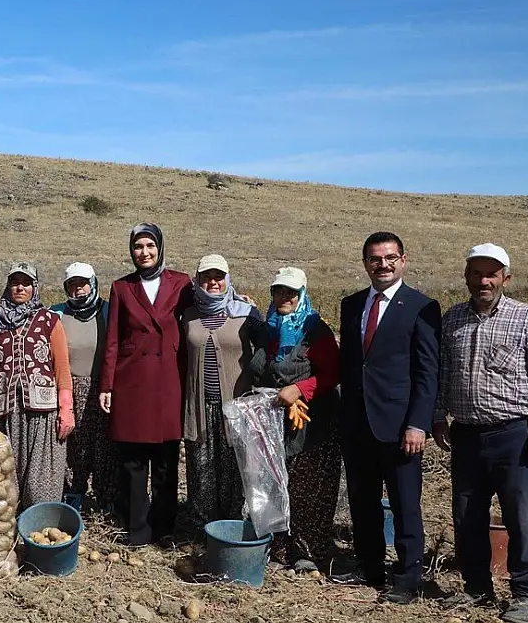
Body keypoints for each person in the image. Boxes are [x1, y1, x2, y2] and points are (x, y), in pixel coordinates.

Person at [432, 244, 528, 623]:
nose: (483, 280)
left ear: (505, 278)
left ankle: (526, 594)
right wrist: (439, 416)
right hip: (468, 435)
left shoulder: (527, 319)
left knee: (522, 516)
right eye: (476, 273)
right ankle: (477, 588)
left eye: (492, 274)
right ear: (466, 276)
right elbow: (443, 374)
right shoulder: (453, 318)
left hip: (515, 434)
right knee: (467, 514)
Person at [331, 232, 440, 604]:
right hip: (358, 422)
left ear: (403, 260)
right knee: (362, 500)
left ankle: (408, 577)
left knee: (405, 502)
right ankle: (370, 565)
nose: (383, 265)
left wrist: (418, 423)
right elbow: (350, 364)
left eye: (390, 258)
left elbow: (427, 372)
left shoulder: (421, 307)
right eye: (375, 259)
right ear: (365, 263)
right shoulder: (352, 304)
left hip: (399, 426)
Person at [99, 224, 193, 546]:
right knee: (133, 462)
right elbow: (112, 339)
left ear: (160, 247)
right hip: (132, 382)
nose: (144, 252)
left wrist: (237, 301)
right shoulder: (122, 288)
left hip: (169, 380)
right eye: (138, 246)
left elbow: (206, 306)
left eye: (150, 245)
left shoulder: (181, 284)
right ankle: (137, 529)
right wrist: (107, 385)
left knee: (166, 461)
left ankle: (165, 530)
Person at [247, 267, 342, 572]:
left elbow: (332, 374)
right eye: (278, 291)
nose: (284, 297)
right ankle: (278, 547)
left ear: (303, 295)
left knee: (308, 486)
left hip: (313, 423)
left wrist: (300, 389)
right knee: (276, 483)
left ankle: (307, 552)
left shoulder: (316, 330)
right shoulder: (269, 328)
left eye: (291, 292)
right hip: (275, 422)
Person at [0, 262, 74, 509]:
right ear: (8, 286)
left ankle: (39, 530)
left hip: (43, 413)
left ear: (34, 287)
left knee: (42, 479)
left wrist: (66, 409)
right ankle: (7, 535)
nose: (20, 288)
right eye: (15, 282)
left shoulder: (49, 321)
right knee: (3, 478)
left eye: (26, 283)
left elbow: (61, 368)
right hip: (4, 413)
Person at [181, 255, 261, 527]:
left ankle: (232, 529)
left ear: (228, 279)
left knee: (235, 470)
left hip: (236, 408)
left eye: (218, 276)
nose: (212, 282)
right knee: (201, 471)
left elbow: (268, 348)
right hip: (199, 406)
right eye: (206, 277)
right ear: (198, 280)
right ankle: (203, 531)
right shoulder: (188, 315)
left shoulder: (246, 313)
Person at [50, 262, 116, 512]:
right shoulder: (57, 314)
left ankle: (105, 500)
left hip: (102, 390)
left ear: (94, 283)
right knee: (72, 448)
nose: (78, 290)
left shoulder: (109, 312)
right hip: (69, 387)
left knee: (105, 447)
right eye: (72, 285)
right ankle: (73, 499)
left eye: (83, 283)